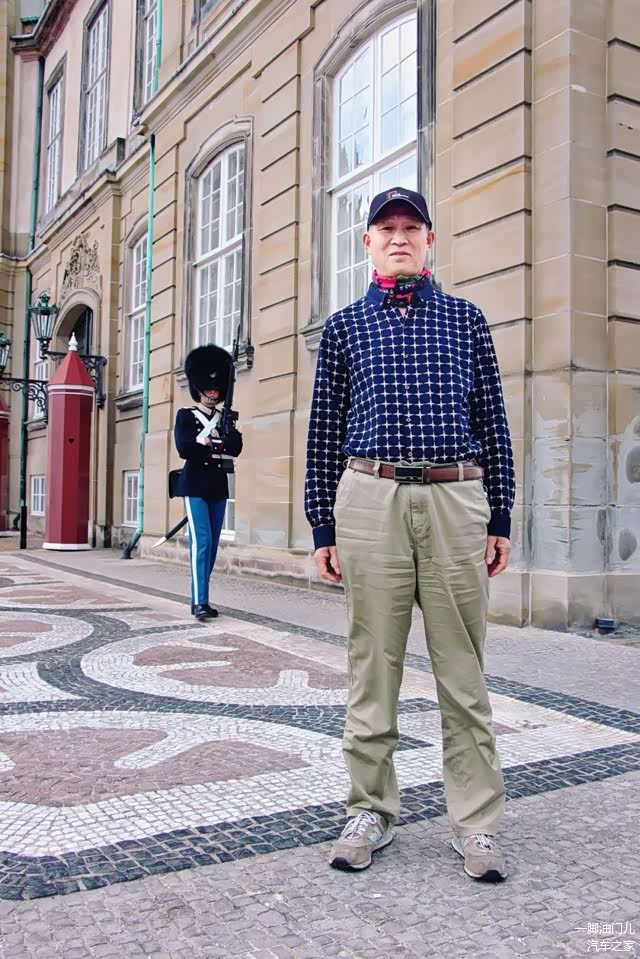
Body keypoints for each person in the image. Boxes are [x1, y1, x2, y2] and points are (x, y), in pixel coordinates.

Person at [305, 187, 515, 881]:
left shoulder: (465, 319)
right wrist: (323, 523)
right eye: (386, 228)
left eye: (411, 227)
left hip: (456, 498)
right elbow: (324, 431)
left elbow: (493, 420)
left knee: (463, 670)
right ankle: (369, 808)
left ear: (430, 241)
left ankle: (477, 823)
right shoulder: (344, 328)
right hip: (370, 499)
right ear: (367, 243)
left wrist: (501, 515)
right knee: (373, 664)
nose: (399, 237)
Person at [174, 344, 242, 621]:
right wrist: (213, 445)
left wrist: (213, 443)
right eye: (208, 389)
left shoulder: (226, 418)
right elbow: (184, 448)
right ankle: (199, 601)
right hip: (195, 484)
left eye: (216, 390)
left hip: (218, 485)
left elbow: (236, 447)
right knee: (201, 541)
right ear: (199, 389)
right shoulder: (186, 415)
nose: (213, 393)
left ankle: (202, 594)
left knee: (212, 544)